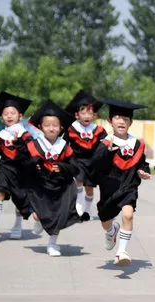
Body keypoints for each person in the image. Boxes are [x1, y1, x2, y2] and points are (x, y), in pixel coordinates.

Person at [93, 99, 151, 266]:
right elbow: (95, 164)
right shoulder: (105, 142)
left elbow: (142, 162)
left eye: (125, 119)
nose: (121, 121)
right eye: (117, 118)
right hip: (109, 187)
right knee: (105, 219)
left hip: (128, 186)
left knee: (128, 214)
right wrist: (106, 152)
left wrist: (143, 171)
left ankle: (121, 252)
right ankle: (111, 231)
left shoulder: (137, 145)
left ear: (130, 122)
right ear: (110, 121)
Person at [19, 100, 80, 256]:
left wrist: (62, 167)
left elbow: (74, 167)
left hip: (60, 185)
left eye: (55, 125)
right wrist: (35, 163)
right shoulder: (33, 145)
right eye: (47, 125)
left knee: (59, 214)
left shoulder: (65, 147)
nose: (51, 128)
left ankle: (52, 244)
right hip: (40, 185)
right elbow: (23, 164)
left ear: (61, 128)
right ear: (40, 127)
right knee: (39, 214)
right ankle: (38, 219)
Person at [0, 92, 33, 238]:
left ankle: (18, 224)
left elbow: (29, 151)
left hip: (21, 170)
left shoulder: (25, 134)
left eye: (12, 113)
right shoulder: (0, 135)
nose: (9, 116)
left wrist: (18, 142)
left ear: (20, 116)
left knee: (20, 199)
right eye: (5, 113)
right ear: (1, 117)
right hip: (5, 169)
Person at [63, 90, 107, 221]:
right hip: (77, 160)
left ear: (94, 115)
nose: (86, 116)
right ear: (77, 115)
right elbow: (64, 144)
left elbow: (104, 145)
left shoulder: (98, 130)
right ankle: (78, 205)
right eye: (83, 113)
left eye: (90, 112)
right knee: (79, 180)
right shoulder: (72, 129)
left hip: (92, 162)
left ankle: (87, 210)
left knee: (89, 188)